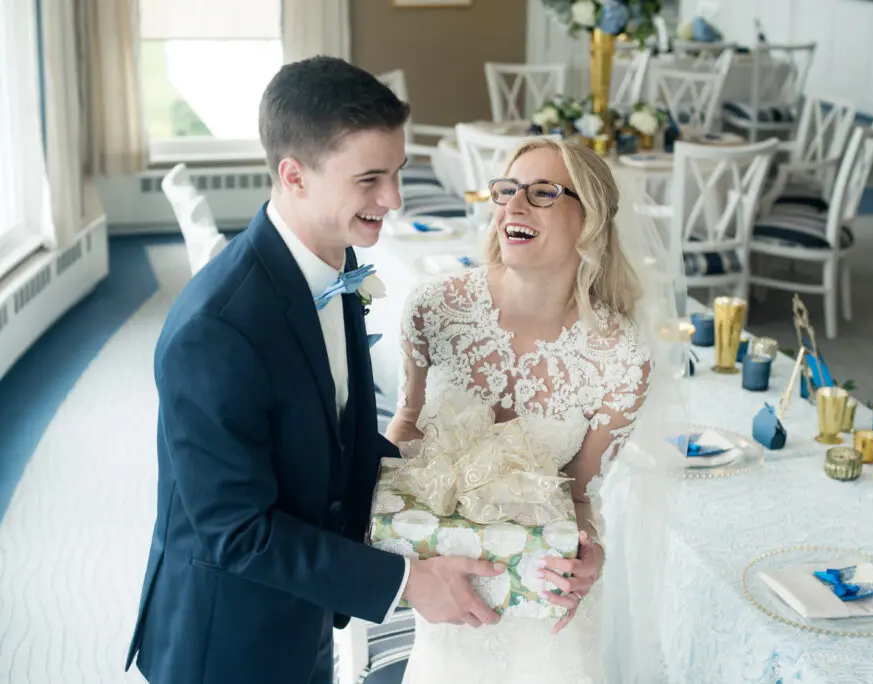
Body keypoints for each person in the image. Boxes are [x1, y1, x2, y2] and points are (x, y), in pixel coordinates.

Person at [124, 56, 504, 684]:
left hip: (303, 611)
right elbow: (238, 533)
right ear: (294, 176)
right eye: (370, 179)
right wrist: (407, 581)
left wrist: (454, 496)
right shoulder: (215, 332)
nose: (394, 199)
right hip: (228, 638)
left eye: (397, 172)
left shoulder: (336, 260)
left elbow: (337, 437)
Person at [385, 138, 654, 683]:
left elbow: (580, 494)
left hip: (545, 604)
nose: (514, 205)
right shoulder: (434, 310)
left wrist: (592, 557)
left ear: (590, 220)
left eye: (542, 192)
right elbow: (406, 426)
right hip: (446, 583)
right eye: (507, 190)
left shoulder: (621, 357)